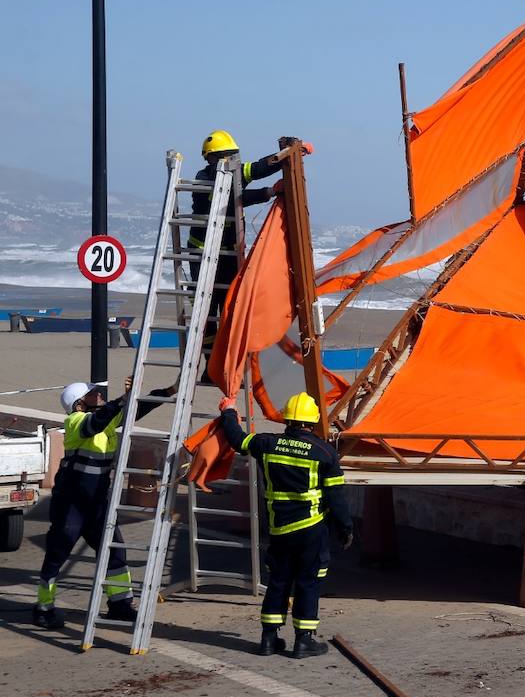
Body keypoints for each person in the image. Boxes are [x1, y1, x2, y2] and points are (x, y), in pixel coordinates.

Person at [33, 378, 176, 629]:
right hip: (72, 504)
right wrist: (120, 400)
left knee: (115, 551)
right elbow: (95, 424)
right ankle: (44, 608)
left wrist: (169, 390)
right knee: (58, 552)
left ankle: (120, 604)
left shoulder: (104, 420)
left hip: (96, 504)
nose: (98, 395)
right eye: (92, 394)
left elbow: (138, 408)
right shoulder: (76, 422)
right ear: (78, 404)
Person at [218, 391, 352, 658]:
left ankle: (268, 639)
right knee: (308, 582)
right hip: (311, 528)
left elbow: (236, 439)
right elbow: (336, 498)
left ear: (286, 420)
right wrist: (345, 528)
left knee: (278, 580)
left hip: (279, 528)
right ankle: (304, 640)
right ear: (313, 422)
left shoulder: (267, 444)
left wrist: (228, 410)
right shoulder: (325, 452)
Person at [190, 131, 311, 366]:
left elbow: (257, 168)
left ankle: (222, 365)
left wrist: (288, 155)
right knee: (206, 316)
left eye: (233, 156)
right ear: (211, 159)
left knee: (228, 310)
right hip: (203, 255)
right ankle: (208, 366)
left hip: (226, 254)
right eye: (226, 156)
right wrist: (268, 192)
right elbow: (235, 197)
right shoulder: (206, 179)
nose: (232, 161)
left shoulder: (232, 173)